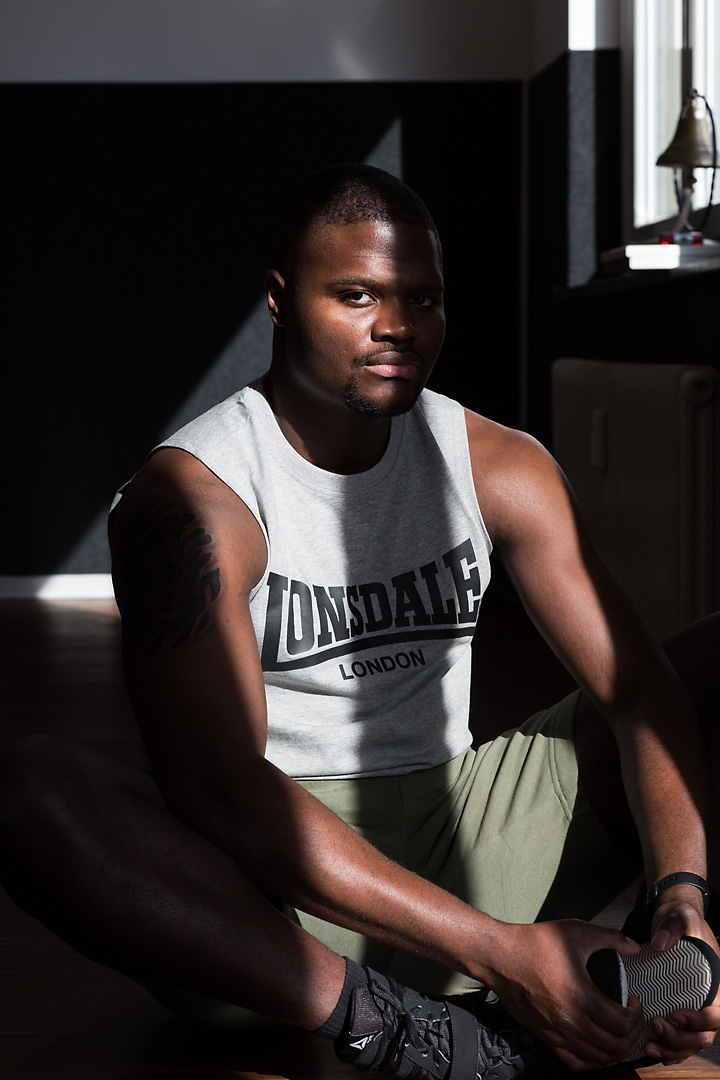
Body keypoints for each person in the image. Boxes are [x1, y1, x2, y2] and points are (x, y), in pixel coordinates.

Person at [2, 163, 720, 1080]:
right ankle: (410, 1031)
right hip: (278, 903)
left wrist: (680, 902)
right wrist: (501, 954)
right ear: (278, 299)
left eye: (423, 299)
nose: (398, 326)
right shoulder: (191, 502)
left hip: (467, 826)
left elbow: (641, 690)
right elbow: (225, 791)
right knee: (34, 794)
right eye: (357, 295)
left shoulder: (500, 465)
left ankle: (629, 994)